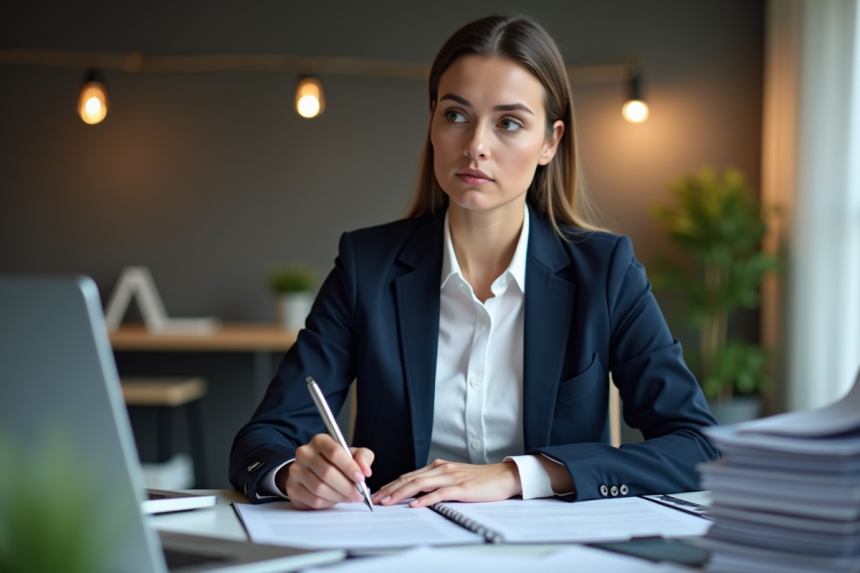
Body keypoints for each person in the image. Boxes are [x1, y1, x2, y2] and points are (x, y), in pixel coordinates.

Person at [229, 14, 718, 511]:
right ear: (433, 120)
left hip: (551, 554)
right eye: (457, 115)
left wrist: (520, 474)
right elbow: (263, 438)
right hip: (399, 548)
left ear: (550, 141)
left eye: (509, 123)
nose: (475, 146)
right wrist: (294, 473)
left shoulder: (605, 271)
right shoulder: (366, 267)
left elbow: (700, 447)